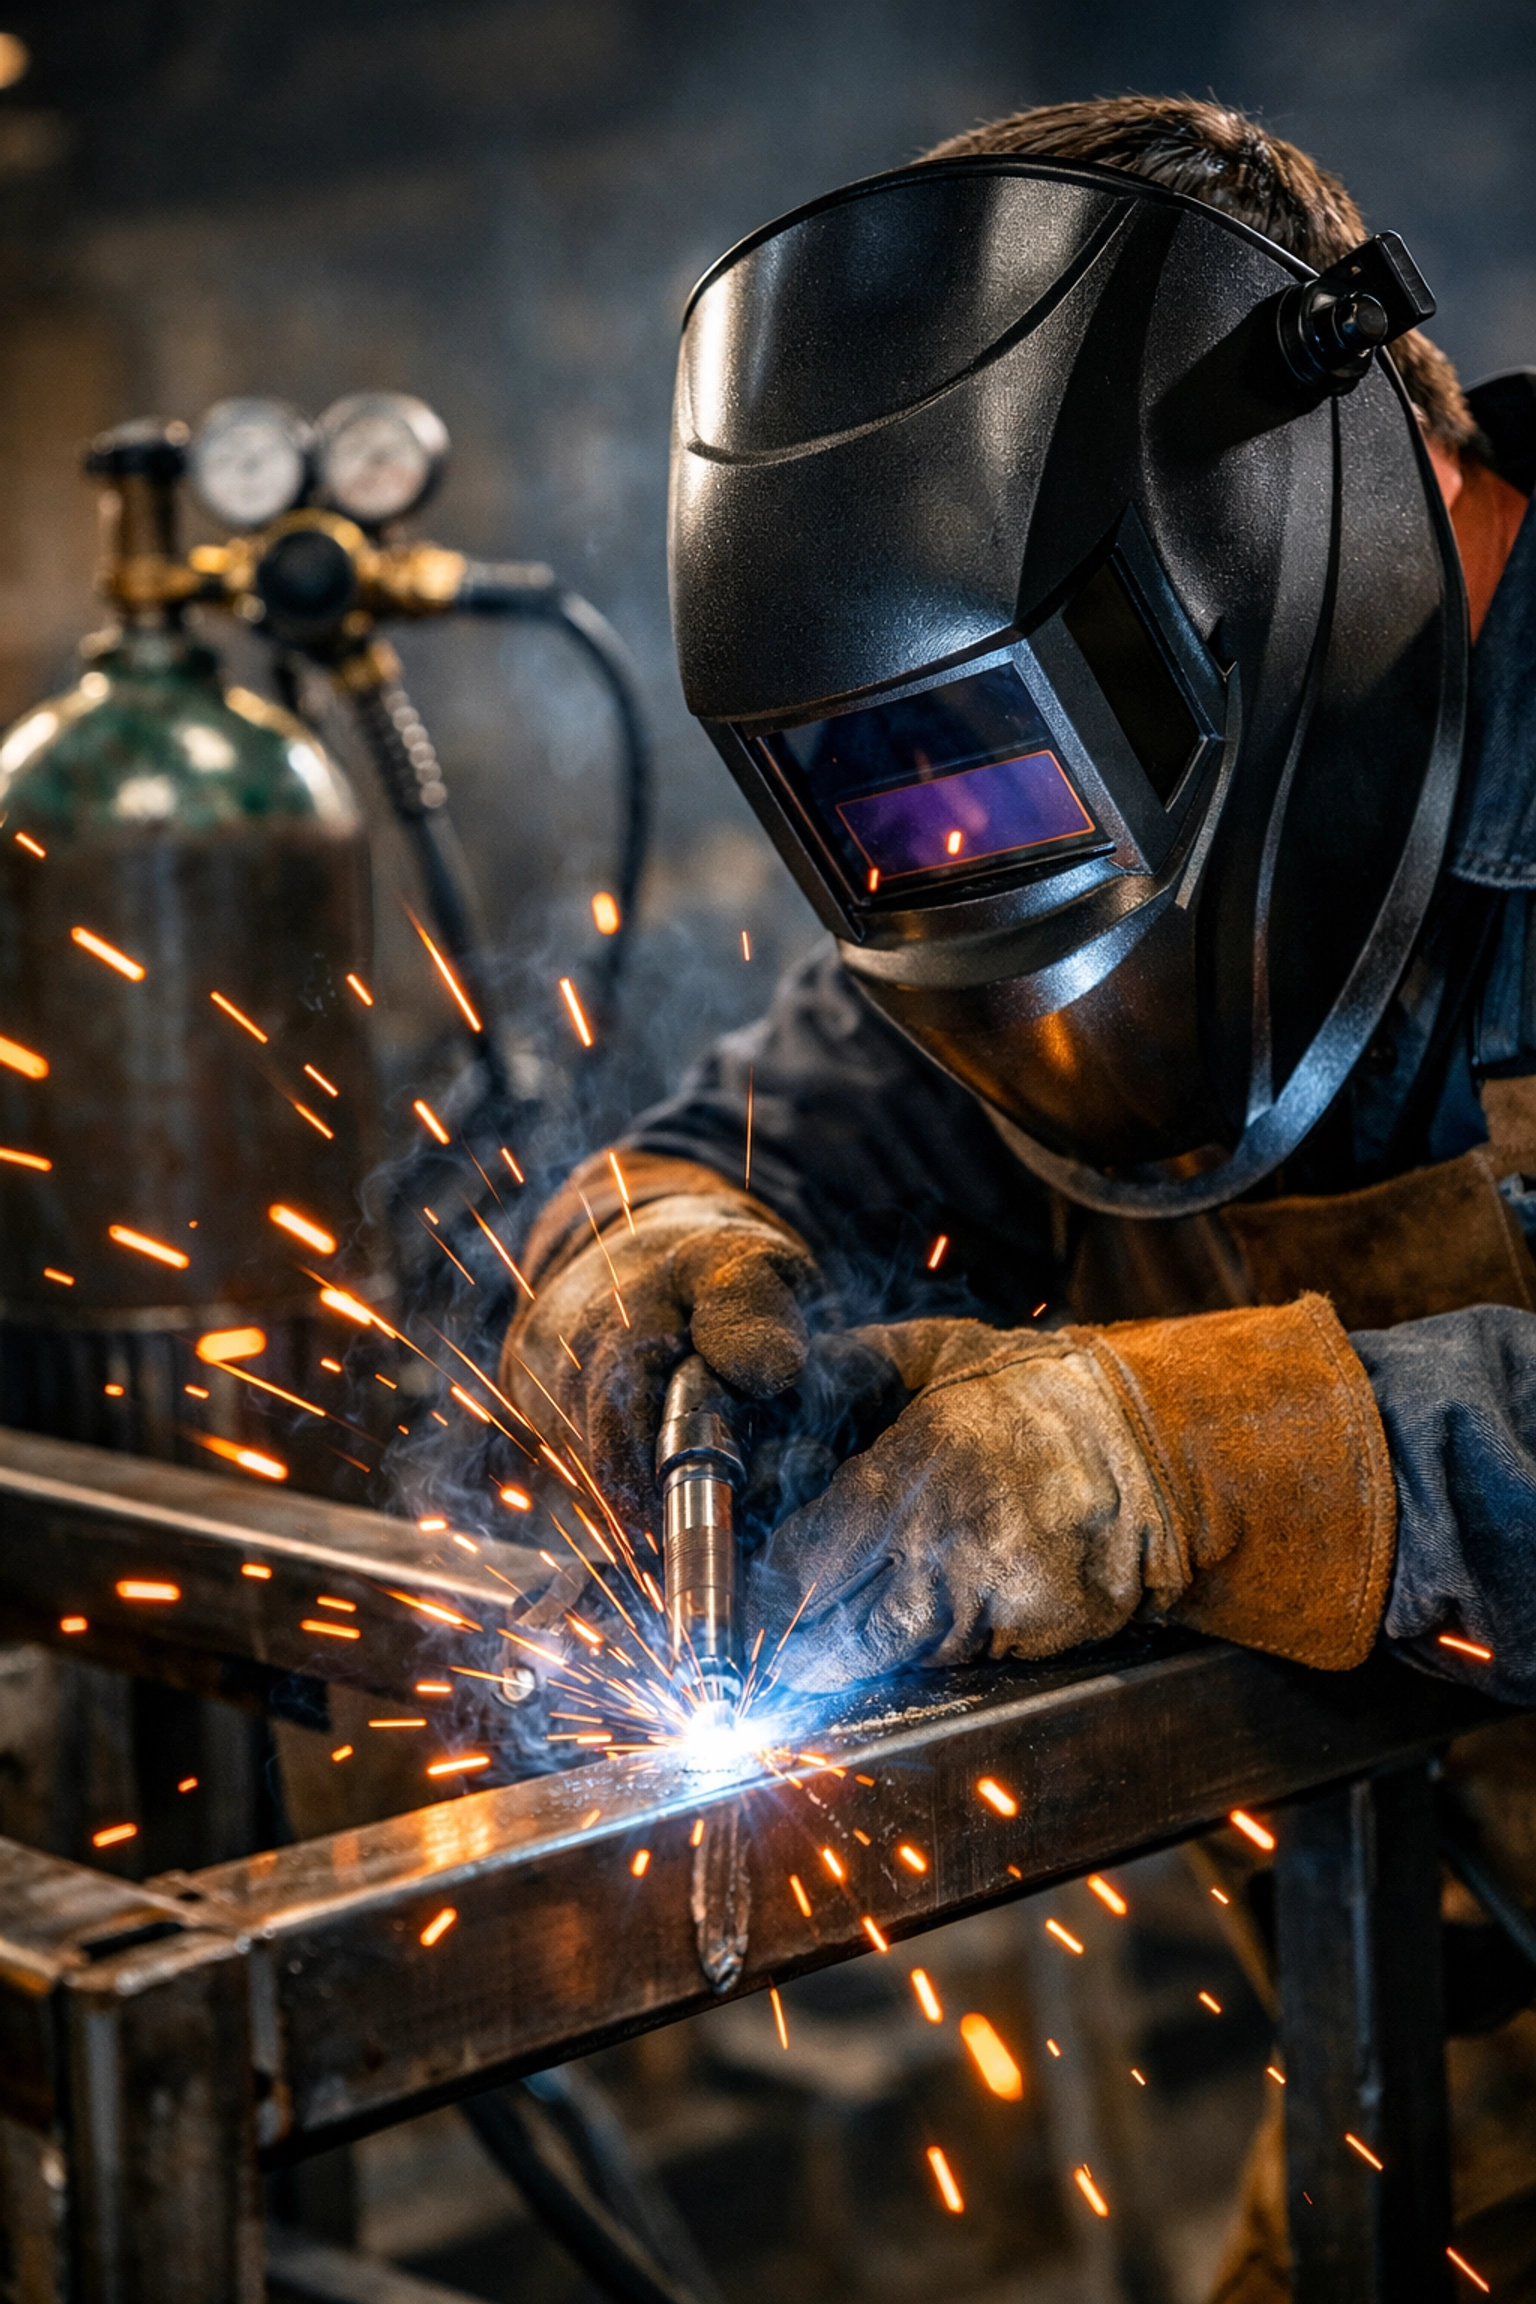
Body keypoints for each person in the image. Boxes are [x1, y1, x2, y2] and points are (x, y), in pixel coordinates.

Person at [503, 99, 1536, 2294]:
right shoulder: (990, 854)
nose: (983, 855)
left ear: (1323, 506)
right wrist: (652, 1258)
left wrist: (1191, 1452)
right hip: (1446, 2085)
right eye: (898, 793)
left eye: (1039, 747)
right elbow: (762, 1137)